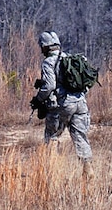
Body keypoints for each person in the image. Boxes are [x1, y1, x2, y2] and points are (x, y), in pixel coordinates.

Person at [30, 31, 92, 164]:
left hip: (62, 105)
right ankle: (88, 170)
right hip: (80, 103)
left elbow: (49, 86)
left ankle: (53, 170)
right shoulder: (68, 58)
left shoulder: (48, 62)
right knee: (80, 138)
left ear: (45, 47)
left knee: (52, 136)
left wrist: (38, 99)